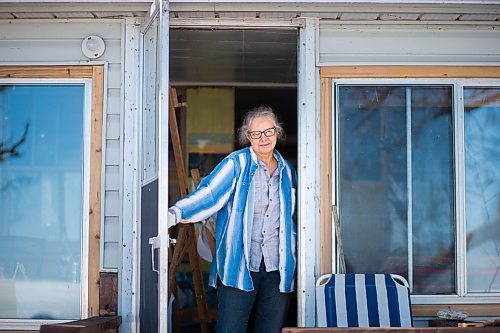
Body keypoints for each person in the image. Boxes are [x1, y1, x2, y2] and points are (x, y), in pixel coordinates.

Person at [167, 106, 297, 333]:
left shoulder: (288, 171)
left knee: (271, 330)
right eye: (256, 133)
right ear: (248, 137)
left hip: (279, 266)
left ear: (278, 132)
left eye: (268, 131)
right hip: (240, 264)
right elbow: (209, 194)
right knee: (231, 329)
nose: (263, 138)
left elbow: (296, 217)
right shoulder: (235, 164)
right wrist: (174, 213)